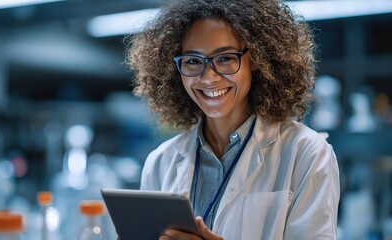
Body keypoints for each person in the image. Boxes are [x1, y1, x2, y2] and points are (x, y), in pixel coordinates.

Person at [126, 0, 340, 239]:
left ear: (257, 59)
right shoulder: (161, 162)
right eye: (193, 61)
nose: (208, 78)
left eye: (226, 58)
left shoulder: (306, 153)